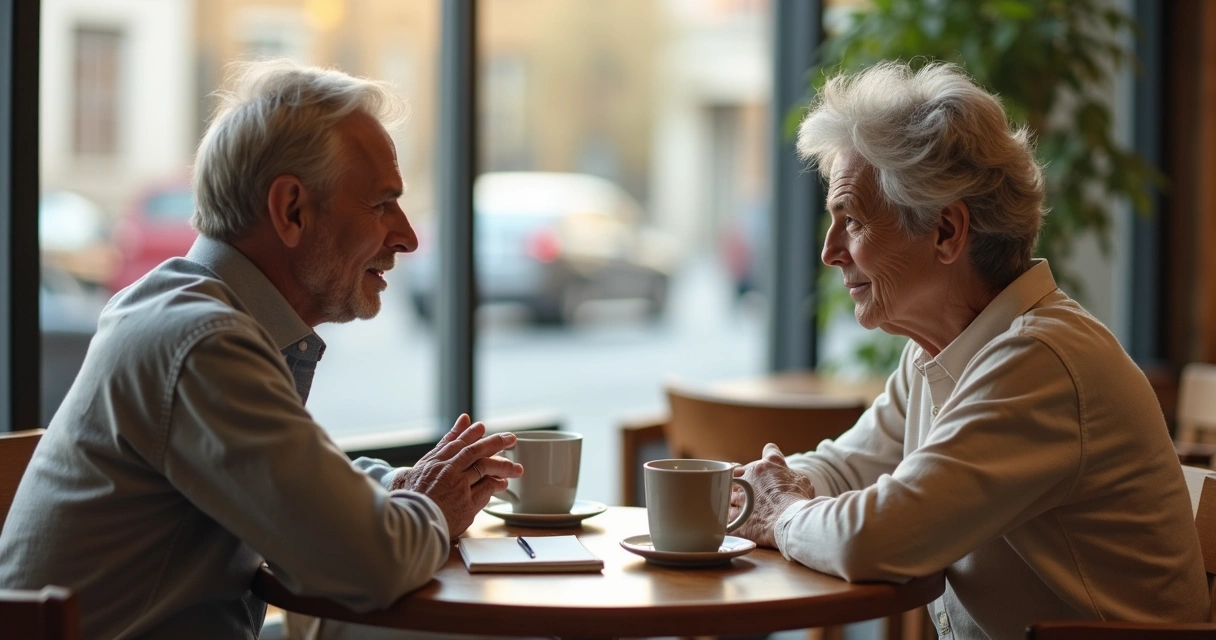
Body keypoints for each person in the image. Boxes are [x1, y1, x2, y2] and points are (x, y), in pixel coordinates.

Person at [0, 59, 523, 639]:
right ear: (291, 209)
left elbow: (297, 490)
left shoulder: (187, 310)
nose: (408, 236)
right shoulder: (202, 340)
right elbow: (367, 564)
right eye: (380, 205)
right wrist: (432, 509)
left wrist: (403, 489)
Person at [729, 61, 1208, 639]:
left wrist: (780, 514)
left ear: (947, 232)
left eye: (851, 220)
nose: (830, 251)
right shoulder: (943, 351)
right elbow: (847, 467)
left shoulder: (1039, 362)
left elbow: (878, 538)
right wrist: (751, 490)